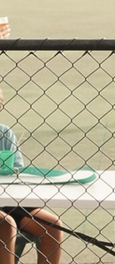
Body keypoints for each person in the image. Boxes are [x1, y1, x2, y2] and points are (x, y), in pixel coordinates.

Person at [0, 90, 63, 264]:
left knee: (52, 225)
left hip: (10, 200)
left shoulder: (5, 134)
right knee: (6, 224)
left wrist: (12, 170)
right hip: (6, 212)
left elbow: (18, 171)